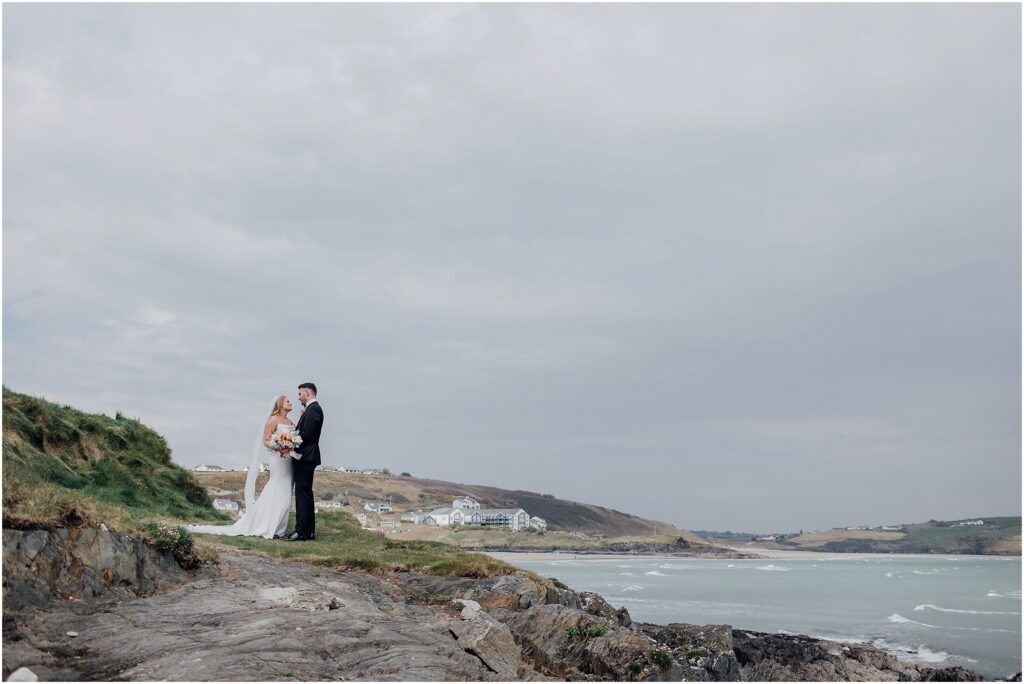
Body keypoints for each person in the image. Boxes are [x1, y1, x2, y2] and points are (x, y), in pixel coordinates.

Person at [187, 396, 296, 539]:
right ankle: (266, 525)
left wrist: (290, 445)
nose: (291, 402)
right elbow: (266, 441)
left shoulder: (290, 422)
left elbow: (294, 438)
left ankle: (277, 527)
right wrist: (279, 447)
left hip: (289, 460)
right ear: (280, 404)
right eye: (287, 401)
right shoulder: (273, 419)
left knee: (286, 491)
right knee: (278, 486)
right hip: (278, 458)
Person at [284, 382, 323, 541]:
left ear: (307, 393)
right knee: (306, 494)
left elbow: (305, 435)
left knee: (302, 494)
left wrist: (288, 442)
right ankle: (308, 531)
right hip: (307, 457)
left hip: (306, 457)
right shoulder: (312, 410)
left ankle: (300, 531)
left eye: (300, 394)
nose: (298, 397)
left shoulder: (314, 410)